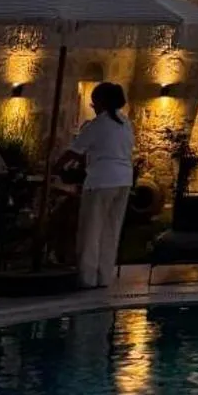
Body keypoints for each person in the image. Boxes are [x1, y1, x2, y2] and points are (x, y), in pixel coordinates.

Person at [65, 81, 134, 289]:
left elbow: (74, 152)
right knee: (111, 229)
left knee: (92, 229)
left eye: (94, 103)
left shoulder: (97, 125)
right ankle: (104, 276)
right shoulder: (125, 123)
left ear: (101, 102)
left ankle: (87, 277)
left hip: (101, 180)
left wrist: (55, 167)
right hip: (124, 180)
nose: (93, 107)